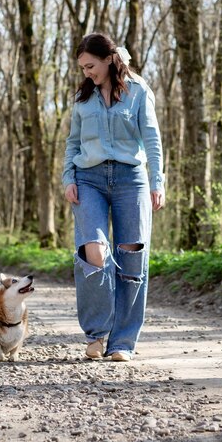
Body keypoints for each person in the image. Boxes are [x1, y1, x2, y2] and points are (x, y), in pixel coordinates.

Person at [62, 32, 165, 362]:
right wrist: (68, 178)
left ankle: (122, 342)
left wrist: (157, 182)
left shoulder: (137, 91)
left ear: (109, 59)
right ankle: (97, 334)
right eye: (82, 68)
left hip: (130, 179)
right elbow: (72, 143)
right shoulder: (83, 98)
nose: (86, 73)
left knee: (132, 258)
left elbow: (152, 139)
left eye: (90, 66)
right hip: (88, 179)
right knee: (94, 252)